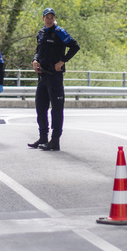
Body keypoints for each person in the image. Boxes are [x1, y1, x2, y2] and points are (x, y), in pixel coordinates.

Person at [28, 8, 79, 151]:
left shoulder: (60, 32)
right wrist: (35, 60)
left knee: (56, 109)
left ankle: (55, 140)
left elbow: (75, 46)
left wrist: (62, 61)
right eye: (47, 17)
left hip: (54, 76)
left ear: (54, 18)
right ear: (43, 18)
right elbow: (38, 50)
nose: (49, 19)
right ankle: (43, 137)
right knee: (40, 107)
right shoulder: (41, 32)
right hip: (42, 76)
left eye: (52, 17)